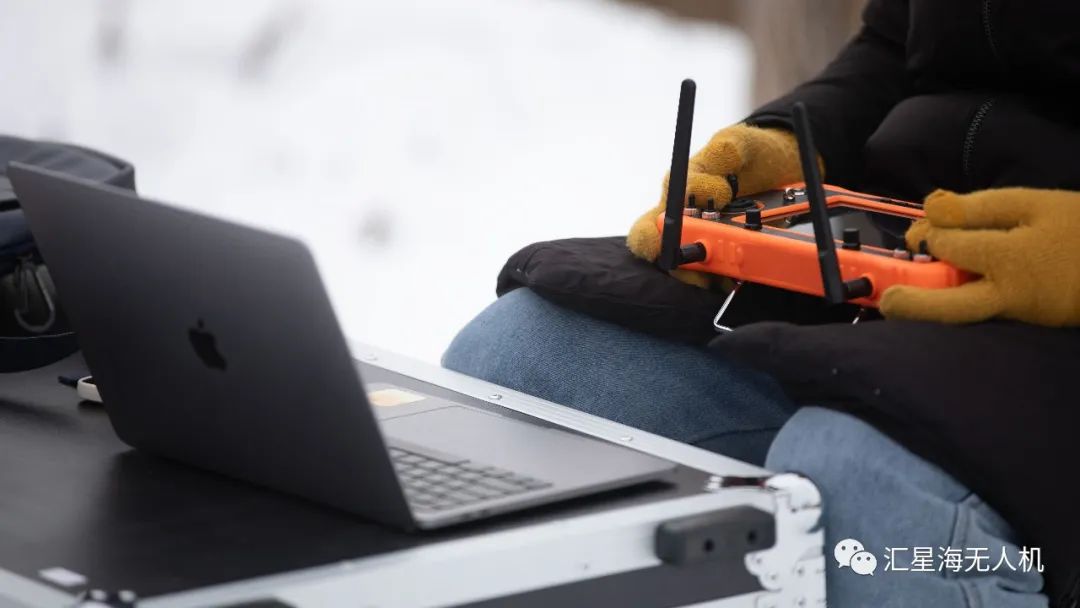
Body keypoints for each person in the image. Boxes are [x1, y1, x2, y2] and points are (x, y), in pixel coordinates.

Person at [444, 1, 1080, 606]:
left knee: (852, 471)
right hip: (901, 242)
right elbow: (895, 45)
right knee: (515, 353)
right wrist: (791, 138)